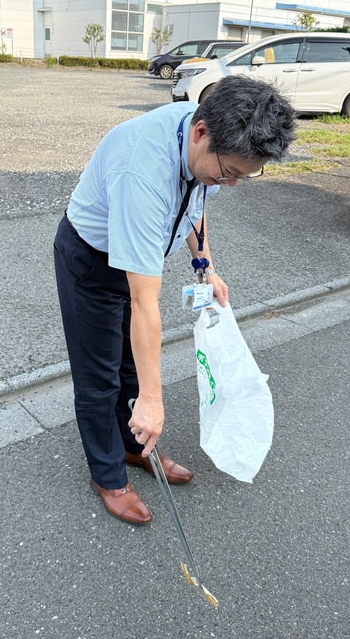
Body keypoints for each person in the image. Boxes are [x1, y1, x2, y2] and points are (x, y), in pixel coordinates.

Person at [53, 74, 296, 525]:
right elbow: (146, 305)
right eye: (231, 172)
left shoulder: (205, 140)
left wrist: (205, 265)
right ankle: (107, 475)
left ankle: (131, 445)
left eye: (246, 176)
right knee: (99, 376)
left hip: (137, 252)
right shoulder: (141, 172)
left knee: (129, 363)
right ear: (202, 133)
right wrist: (153, 400)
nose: (232, 184)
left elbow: (195, 201)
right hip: (91, 260)